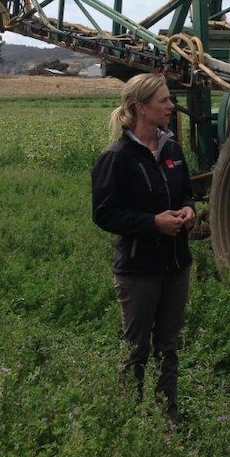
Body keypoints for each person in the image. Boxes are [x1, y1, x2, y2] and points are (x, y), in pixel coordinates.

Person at [91, 73, 196, 428]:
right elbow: (105, 214)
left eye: (170, 99)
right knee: (137, 348)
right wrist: (153, 223)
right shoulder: (116, 157)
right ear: (141, 108)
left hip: (176, 263)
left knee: (169, 345)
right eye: (164, 101)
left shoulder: (172, 149)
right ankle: (129, 419)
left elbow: (185, 192)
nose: (171, 106)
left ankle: (169, 416)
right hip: (138, 269)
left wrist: (188, 210)